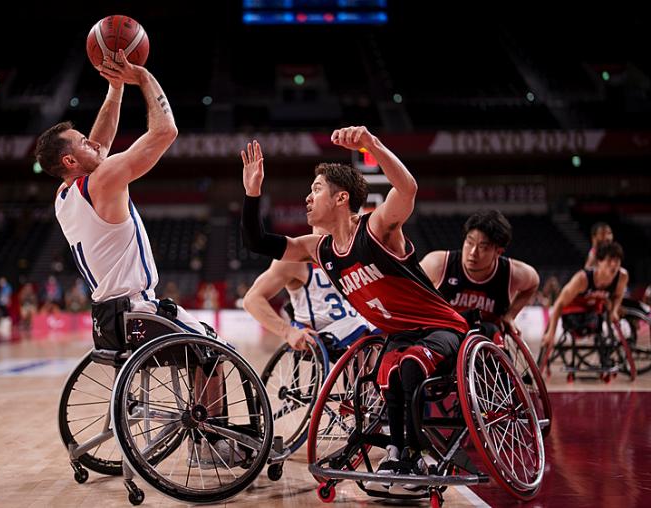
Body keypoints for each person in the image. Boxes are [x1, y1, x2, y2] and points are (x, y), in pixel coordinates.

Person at [240, 126, 468, 493]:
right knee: (386, 373)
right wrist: (252, 193)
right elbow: (256, 242)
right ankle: (396, 452)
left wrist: (372, 145)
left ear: (341, 198)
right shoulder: (318, 248)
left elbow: (407, 189)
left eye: (316, 189)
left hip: (440, 327)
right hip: (397, 335)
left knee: (408, 364)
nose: (307, 197)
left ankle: (417, 453)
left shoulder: (377, 228)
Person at [34, 50, 234, 463]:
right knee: (215, 351)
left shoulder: (65, 193)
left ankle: (197, 431)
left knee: (201, 346)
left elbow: (101, 142)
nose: (94, 142)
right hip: (138, 312)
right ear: (71, 160)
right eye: (82, 143)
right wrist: (142, 78)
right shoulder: (104, 179)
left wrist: (114, 89)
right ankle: (212, 444)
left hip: (107, 320)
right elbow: (166, 132)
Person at [243, 226, 380, 352]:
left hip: (353, 325)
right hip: (320, 333)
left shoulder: (356, 250)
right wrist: (288, 331)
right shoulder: (294, 257)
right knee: (359, 328)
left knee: (382, 329)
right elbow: (251, 300)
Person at [419, 210, 540, 341]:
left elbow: (534, 282)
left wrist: (510, 315)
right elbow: (407, 283)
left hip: (485, 340)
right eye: (469, 242)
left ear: (498, 252)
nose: (472, 252)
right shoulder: (439, 263)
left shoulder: (511, 273)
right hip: (445, 334)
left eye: (483, 247)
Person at [541, 241, 628, 353]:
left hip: (593, 311)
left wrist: (614, 310)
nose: (614, 265)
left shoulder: (622, 277)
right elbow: (559, 303)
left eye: (617, 261)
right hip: (574, 311)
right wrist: (551, 333)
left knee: (602, 315)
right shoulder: (582, 279)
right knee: (590, 320)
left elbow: (618, 296)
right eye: (609, 260)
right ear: (599, 262)